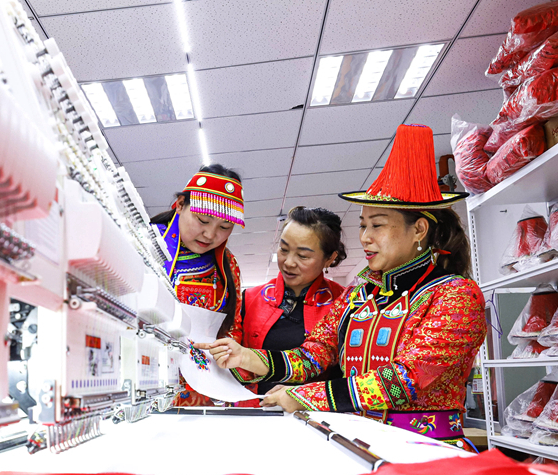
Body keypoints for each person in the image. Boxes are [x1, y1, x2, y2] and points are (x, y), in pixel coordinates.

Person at [204, 124, 486, 450]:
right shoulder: (359, 294)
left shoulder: (456, 296)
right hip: (357, 443)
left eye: (377, 225)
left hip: (426, 448)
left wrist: (305, 396)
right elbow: (313, 356)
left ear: (419, 229)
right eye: (363, 225)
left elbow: (406, 380)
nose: (365, 237)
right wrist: (247, 357)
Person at [199, 206, 346, 404]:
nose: (289, 262)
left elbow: (314, 360)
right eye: (284, 249)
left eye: (303, 256)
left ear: (330, 258)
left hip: (315, 414)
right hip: (254, 410)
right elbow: (234, 362)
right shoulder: (250, 298)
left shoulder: (344, 303)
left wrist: (247, 357)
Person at [150, 164, 244, 406]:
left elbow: (232, 327)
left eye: (224, 227)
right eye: (203, 220)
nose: (210, 235)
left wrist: (225, 353)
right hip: (141, 376)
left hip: (202, 390)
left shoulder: (228, 265)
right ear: (180, 204)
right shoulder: (145, 242)